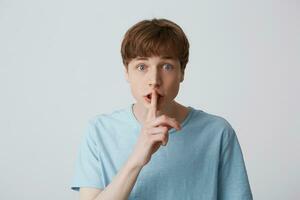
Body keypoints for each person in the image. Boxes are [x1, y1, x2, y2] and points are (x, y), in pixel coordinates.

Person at [70, 18, 253, 200]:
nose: (154, 80)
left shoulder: (217, 132)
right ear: (126, 72)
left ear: (182, 72)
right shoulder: (99, 131)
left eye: (167, 66)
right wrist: (137, 159)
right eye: (141, 66)